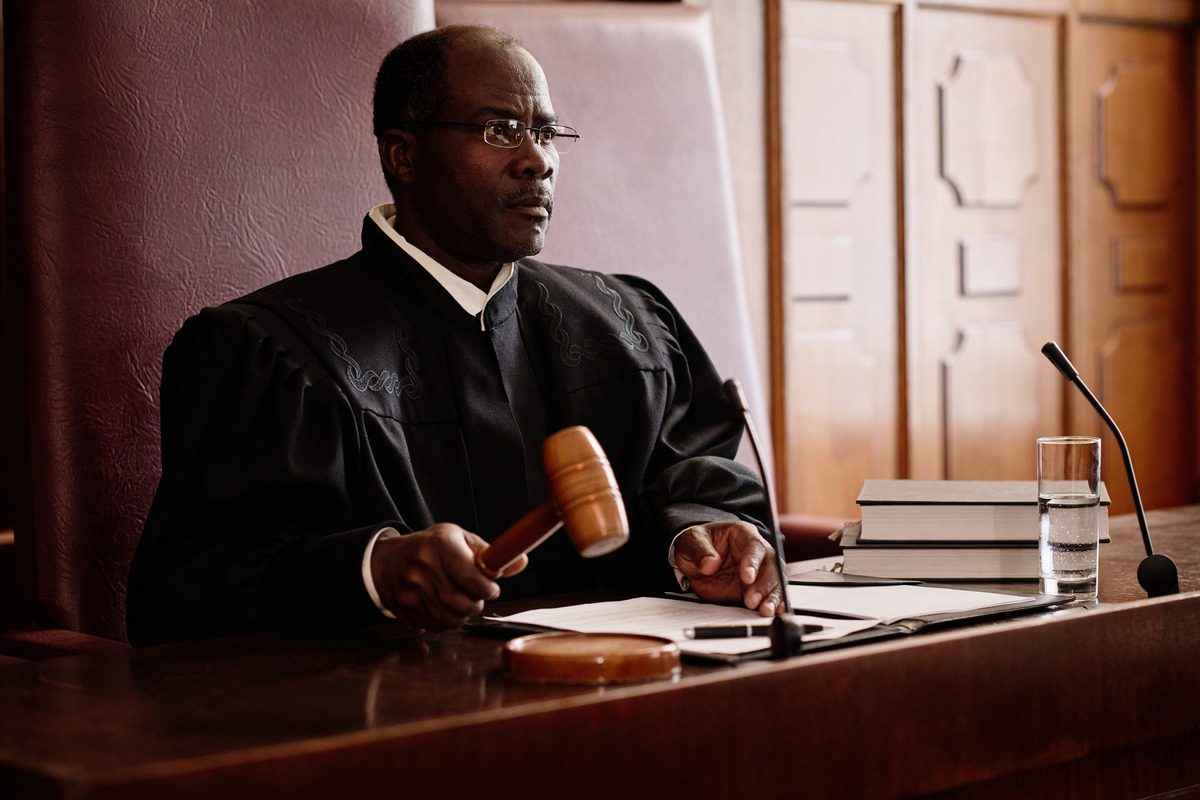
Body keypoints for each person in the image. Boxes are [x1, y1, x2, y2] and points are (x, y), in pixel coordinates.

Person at [125, 24, 781, 645]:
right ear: (403, 155)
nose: (536, 161)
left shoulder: (629, 325)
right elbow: (185, 593)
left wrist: (704, 536)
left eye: (547, 133)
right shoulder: (275, 352)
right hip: (393, 731)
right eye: (500, 130)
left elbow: (692, 477)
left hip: (624, 707)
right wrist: (373, 569)